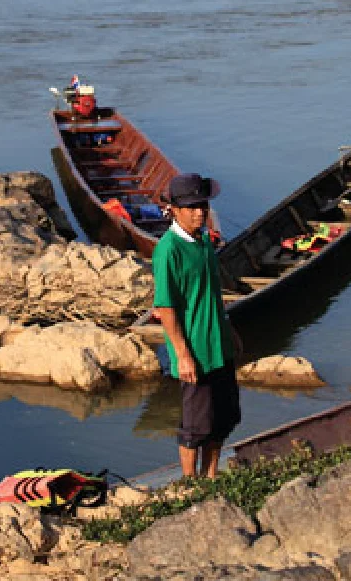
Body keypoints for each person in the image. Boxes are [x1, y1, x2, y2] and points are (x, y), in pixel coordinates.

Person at [152, 173, 242, 479]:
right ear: (174, 209)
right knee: (196, 425)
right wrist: (182, 354)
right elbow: (166, 307)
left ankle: (211, 476)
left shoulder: (203, 241)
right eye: (190, 207)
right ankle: (190, 483)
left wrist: (228, 329)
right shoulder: (168, 250)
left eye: (202, 205)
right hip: (196, 351)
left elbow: (212, 294)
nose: (199, 212)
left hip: (219, 344)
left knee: (224, 417)